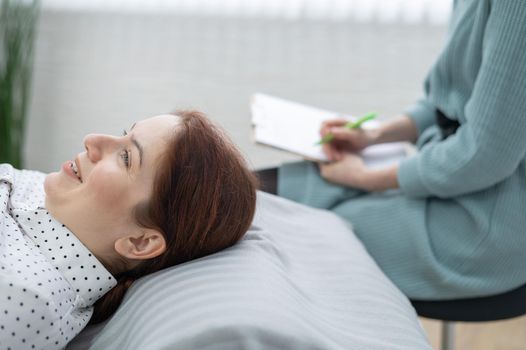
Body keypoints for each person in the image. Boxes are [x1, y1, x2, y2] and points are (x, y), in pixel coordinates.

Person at [259, 0, 526, 300]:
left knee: (293, 229)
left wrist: (362, 178)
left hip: (486, 224)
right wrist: (374, 135)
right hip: (454, 183)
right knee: (254, 193)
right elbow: (448, 100)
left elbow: (485, 156)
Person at [0, 111, 258, 349]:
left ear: (140, 242)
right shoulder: (52, 196)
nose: (92, 139)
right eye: (124, 133)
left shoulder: (24, 301)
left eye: (126, 158)